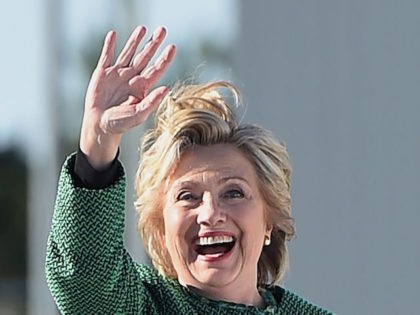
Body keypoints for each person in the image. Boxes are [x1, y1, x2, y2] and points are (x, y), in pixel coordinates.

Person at [46, 25, 333, 314]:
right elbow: (85, 283)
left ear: (269, 220)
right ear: (160, 229)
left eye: (233, 193)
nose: (210, 214)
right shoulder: (144, 307)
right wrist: (97, 144)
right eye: (187, 196)